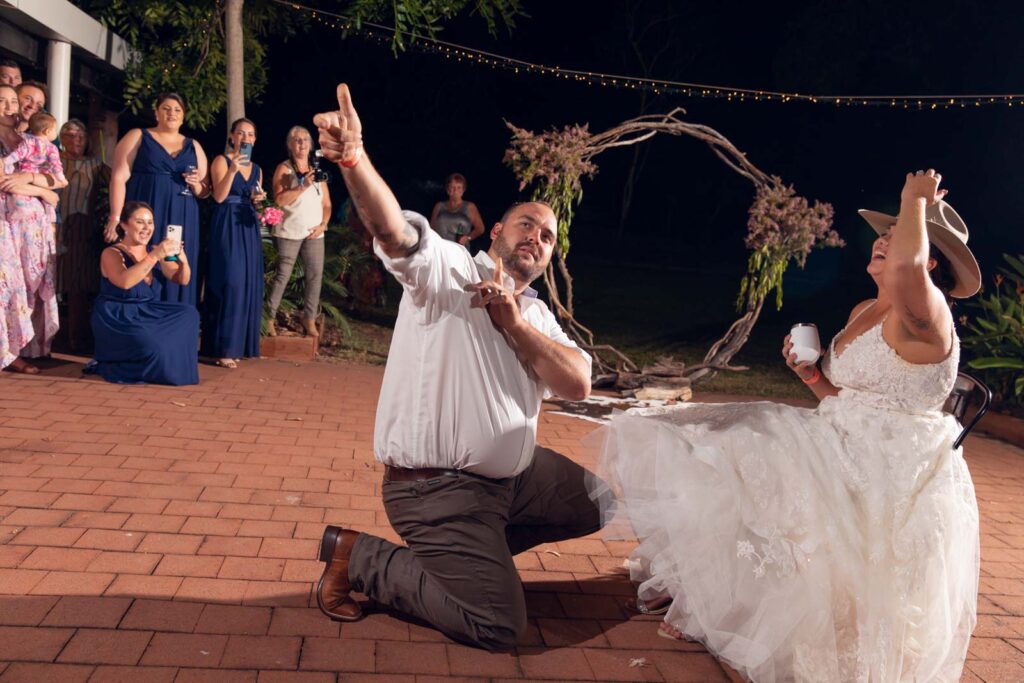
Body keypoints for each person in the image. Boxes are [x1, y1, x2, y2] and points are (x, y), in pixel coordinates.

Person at [596, 170, 981, 681]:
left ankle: (724, 602)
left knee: (744, 444)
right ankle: (715, 593)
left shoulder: (927, 315)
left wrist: (915, 199)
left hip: (888, 471)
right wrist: (812, 378)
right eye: (884, 232)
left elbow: (908, 269)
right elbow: (850, 401)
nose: (884, 238)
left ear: (930, 262)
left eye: (900, 232)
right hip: (839, 439)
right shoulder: (867, 307)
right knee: (712, 436)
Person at [311, 84, 611, 650]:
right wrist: (353, 158)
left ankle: (474, 561)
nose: (537, 238)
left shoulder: (538, 313)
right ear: (495, 231)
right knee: (498, 625)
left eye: (548, 237)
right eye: (526, 224)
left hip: (513, 481)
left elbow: (578, 382)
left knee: (600, 502)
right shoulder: (448, 269)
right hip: (438, 490)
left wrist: (515, 325)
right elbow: (393, 233)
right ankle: (361, 558)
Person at [107, 92, 208, 306]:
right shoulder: (139, 136)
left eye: (177, 110)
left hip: (182, 213)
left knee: (175, 260)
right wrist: (115, 217)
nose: (172, 113)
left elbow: (204, 191)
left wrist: (196, 183)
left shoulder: (194, 146)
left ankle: (174, 318)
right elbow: (118, 177)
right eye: (166, 108)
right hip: (146, 208)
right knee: (142, 257)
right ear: (156, 112)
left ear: (184, 116)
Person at [89, 201, 198, 385]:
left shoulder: (154, 252)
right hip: (118, 316)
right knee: (150, 342)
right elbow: (124, 282)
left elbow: (182, 280)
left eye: (151, 222)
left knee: (189, 313)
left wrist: (183, 261)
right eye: (140, 222)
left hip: (146, 311)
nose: (147, 228)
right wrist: (154, 256)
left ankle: (166, 361)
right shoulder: (112, 253)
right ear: (124, 225)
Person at [0, 85, 61, 370]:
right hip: (8, 219)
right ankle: (10, 351)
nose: (12, 106)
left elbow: (59, 181)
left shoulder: (30, 139)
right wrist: (42, 190)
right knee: (9, 282)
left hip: (35, 221)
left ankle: (29, 345)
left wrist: (37, 185)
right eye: (6, 101)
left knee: (32, 279)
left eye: (13, 101)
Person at [200, 118, 265, 368]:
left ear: (255, 140)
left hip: (247, 225)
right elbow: (218, 196)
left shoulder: (257, 168)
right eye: (241, 133)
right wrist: (232, 170)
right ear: (232, 136)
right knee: (230, 280)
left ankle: (239, 345)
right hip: (226, 223)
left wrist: (259, 199)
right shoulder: (221, 161)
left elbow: (252, 195)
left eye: (250, 134)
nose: (246, 138)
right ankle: (221, 347)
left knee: (248, 283)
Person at [265, 126, 330, 338]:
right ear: (290, 145)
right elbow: (280, 200)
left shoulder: (316, 169)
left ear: (311, 145)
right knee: (282, 276)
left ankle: (309, 319)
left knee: (314, 276)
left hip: (314, 232)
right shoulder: (284, 169)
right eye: (296, 140)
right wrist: (302, 186)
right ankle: (268, 318)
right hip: (289, 231)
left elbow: (327, 204)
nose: (301, 143)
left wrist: (324, 224)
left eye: (305, 140)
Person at [55, 118, 111, 351]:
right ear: (61, 138)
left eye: (80, 135)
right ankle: (41, 340)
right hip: (49, 229)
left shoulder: (96, 165)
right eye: (69, 134)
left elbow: (119, 184)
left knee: (78, 287)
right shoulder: (53, 160)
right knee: (45, 285)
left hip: (82, 231)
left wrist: (107, 213)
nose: (75, 139)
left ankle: (76, 341)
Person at [3, 112, 67, 227]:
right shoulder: (51, 147)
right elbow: (56, 166)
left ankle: (17, 211)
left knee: (21, 196)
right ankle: (50, 215)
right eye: (54, 130)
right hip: (41, 173)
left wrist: (5, 162)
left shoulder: (27, 141)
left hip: (24, 170)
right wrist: (61, 178)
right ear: (47, 131)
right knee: (48, 198)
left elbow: (17, 155)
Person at [430, 172, 485, 246]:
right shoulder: (439, 206)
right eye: (452, 187)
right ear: (447, 189)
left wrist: (468, 237)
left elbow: (480, 228)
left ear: (463, 190)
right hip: (440, 249)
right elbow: (431, 229)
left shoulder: (470, 207)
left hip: (459, 251)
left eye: (459, 187)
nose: (455, 190)